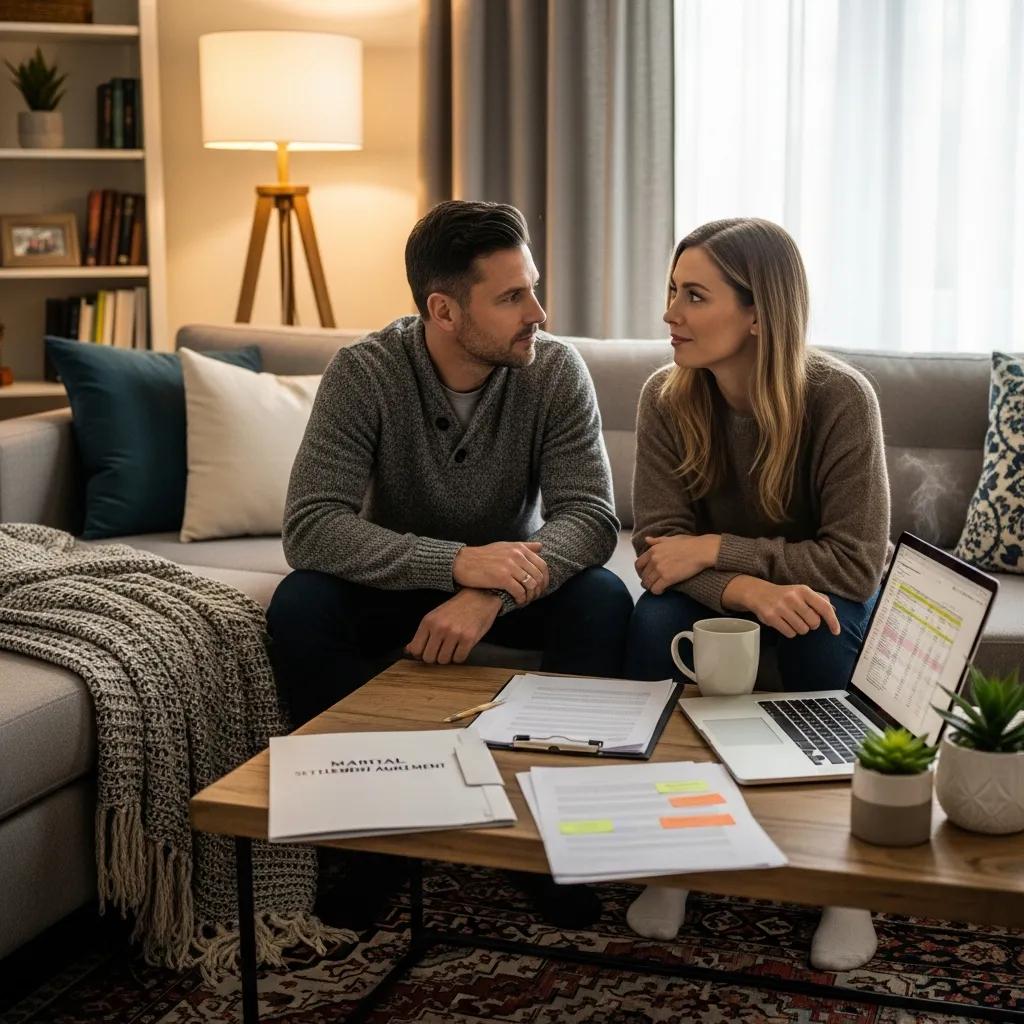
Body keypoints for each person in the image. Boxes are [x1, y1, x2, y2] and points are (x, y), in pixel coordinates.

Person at [267, 198, 633, 927]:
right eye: (511, 297)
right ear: (443, 310)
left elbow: (590, 517)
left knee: (603, 601)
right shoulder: (364, 371)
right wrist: (456, 565)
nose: (539, 311)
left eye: (531, 286)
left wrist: (490, 596)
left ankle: (544, 839)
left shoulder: (555, 371)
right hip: (401, 575)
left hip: (510, 583)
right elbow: (311, 526)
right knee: (300, 604)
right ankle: (376, 840)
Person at [623, 218, 890, 971]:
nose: (670, 312)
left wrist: (718, 549)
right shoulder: (665, 398)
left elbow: (854, 563)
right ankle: (673, 854)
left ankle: (846, 882)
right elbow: (656, 554)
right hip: (724, 597)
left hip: (821, 593)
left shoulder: (841, 399)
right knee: (653, 623)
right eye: (672, 291)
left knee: (820, 628)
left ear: (758, 314)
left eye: (694, 295)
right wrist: (743, 587)